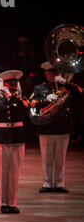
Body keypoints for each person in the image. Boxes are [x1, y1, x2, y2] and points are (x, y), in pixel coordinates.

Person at [0, 70, 29, 214]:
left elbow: (25, 112)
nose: (12, 86)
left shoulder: (21, 99)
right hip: (1, 137)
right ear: (4, 84)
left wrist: (12, 97)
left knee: (14, 172)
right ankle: (2, 202)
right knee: (1, 172)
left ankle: (12, 203)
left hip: (17, 136)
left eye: (14, 83)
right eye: (9, 83)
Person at [30, 61, 83, 193]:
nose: (53, 75)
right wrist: (45, 99)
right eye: (51, 72)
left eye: (55, 72)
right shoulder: (39, 88)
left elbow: (79, 93)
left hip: (63, 127)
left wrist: (65, 83)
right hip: (46, 127)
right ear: (45, 73)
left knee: (60, 159)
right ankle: (47, 183)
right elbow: (31, 103)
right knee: (47, 158)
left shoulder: (66, 87)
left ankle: (59, 183)